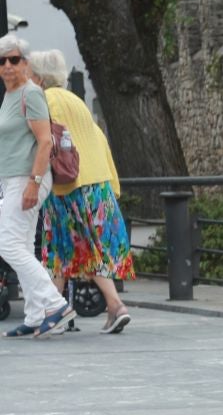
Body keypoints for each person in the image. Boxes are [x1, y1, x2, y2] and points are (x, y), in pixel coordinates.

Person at [30, 49, 134, 334]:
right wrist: (112, 182)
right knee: (66, 250)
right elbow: (97, 138)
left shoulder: (45, 100)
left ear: (37, 76)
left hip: (68, 185)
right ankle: (60, 311)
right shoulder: (75, 100)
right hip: (96, 182)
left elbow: (43, 142)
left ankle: (107, 306)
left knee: (67, 247)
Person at [0, 32, 69, 340]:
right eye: (2, 61)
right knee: (23, 245)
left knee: (7, 243)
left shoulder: (31, 93)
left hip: (28, 179)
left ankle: (55, 305)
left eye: (14, 59)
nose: (7, 66)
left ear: (26, 63)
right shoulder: (10, 95)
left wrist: (33, 183)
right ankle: (35, 314)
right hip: (13, 179)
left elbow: (45, 141)